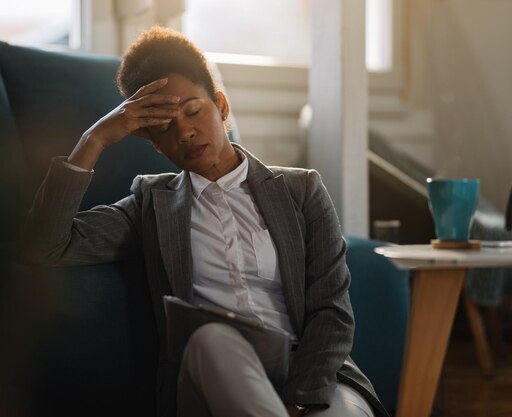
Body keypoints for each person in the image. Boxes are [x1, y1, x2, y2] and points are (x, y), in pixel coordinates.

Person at [20, 26, 388, 417]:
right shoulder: (152, 204)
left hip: (316, 380)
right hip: (216, 372)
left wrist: (297, 400)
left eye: (194, 111)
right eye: (165, 127)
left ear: (222, 107)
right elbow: (44, 247)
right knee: (210, 337)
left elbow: (332, 311)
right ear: (154, 145)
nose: (186, 131)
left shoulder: (302, 190)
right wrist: (94, 139)